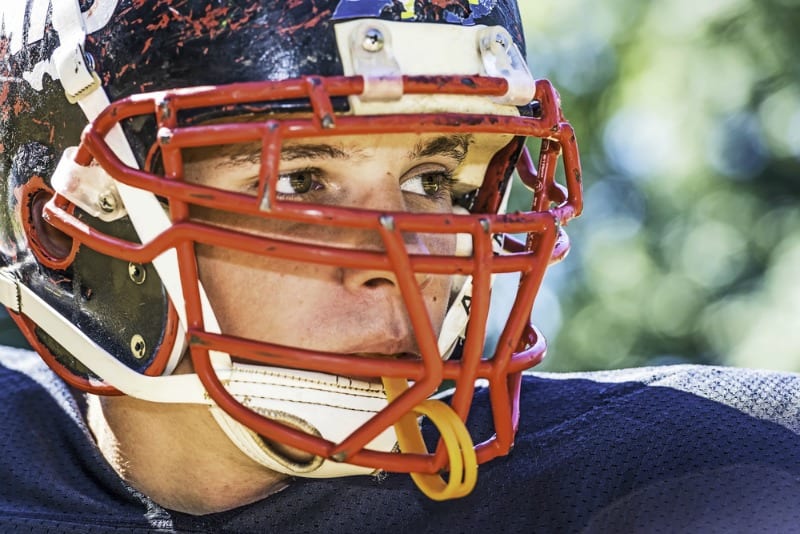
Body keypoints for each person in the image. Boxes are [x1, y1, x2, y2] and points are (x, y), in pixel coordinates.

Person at [1, 1, 799, 532]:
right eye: (301, 181)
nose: (400, 260)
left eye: (432, 183)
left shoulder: (709, 474)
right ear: (70, 229)